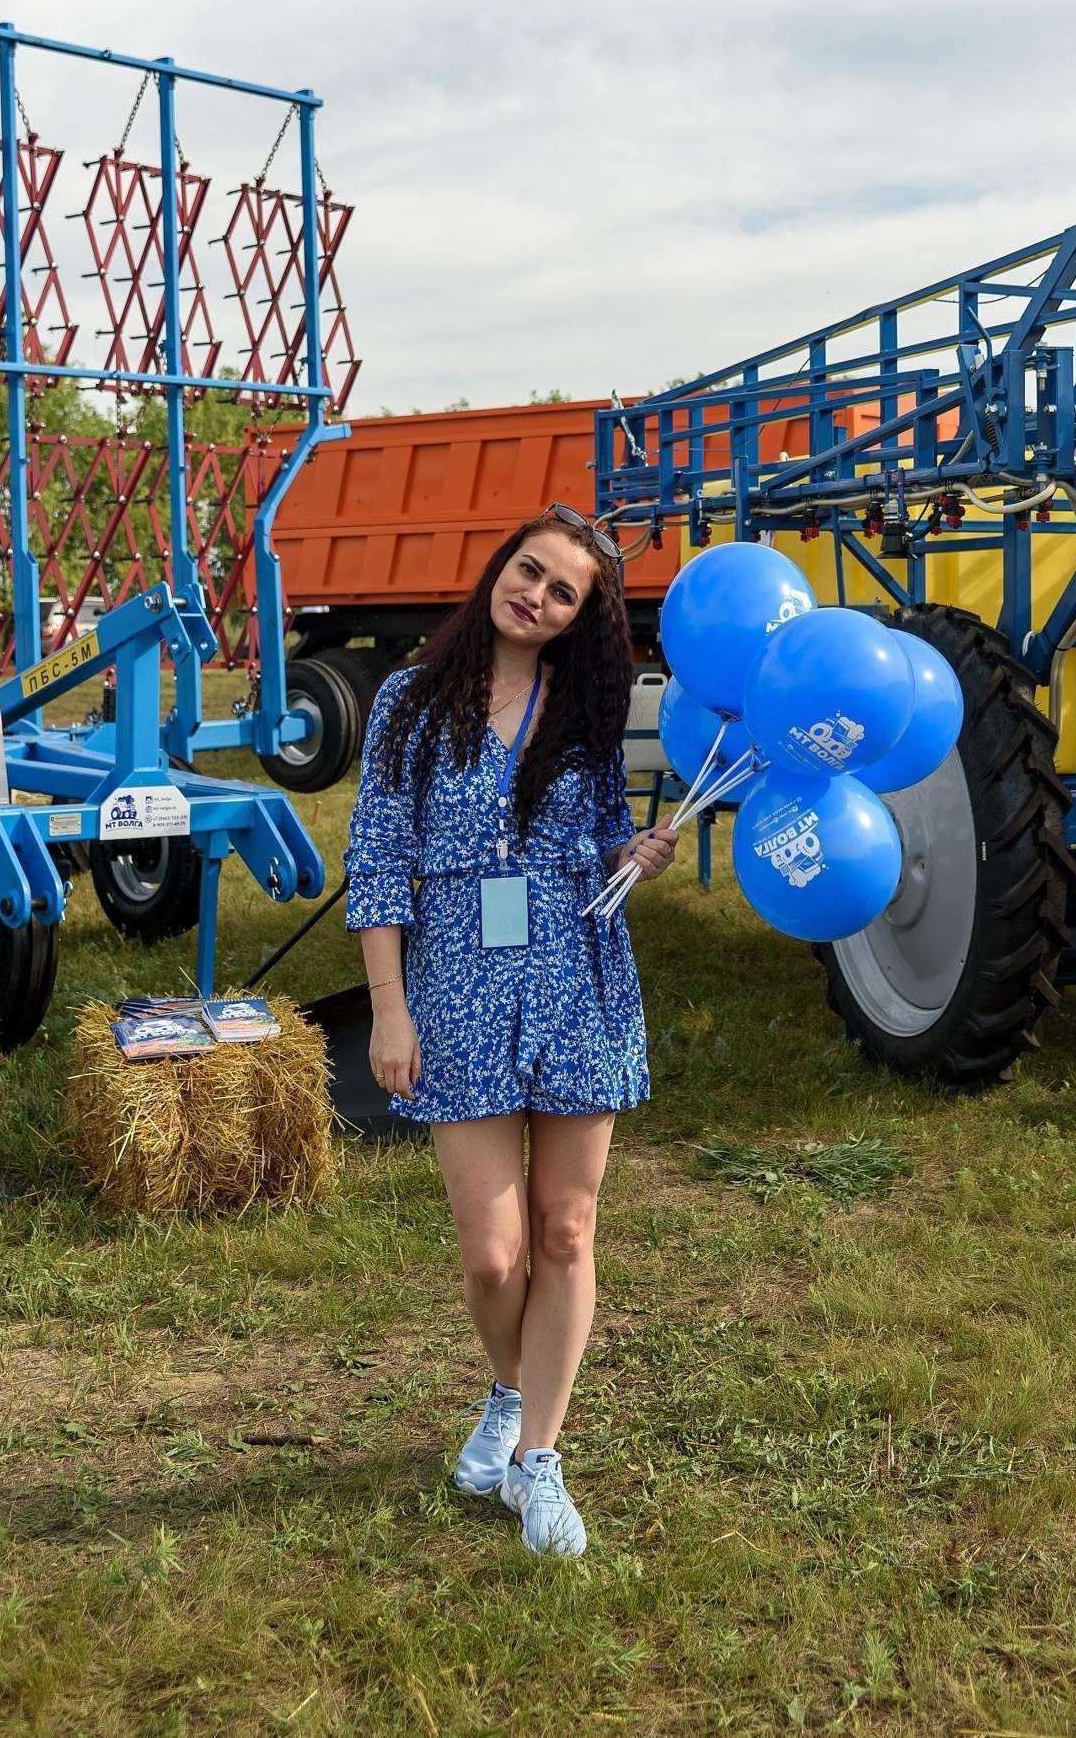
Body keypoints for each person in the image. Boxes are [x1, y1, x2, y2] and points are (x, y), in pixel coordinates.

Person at [344, 504, 678, 1558]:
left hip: (577, 978)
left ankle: (540, 1458)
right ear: (502, 567)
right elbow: (378, 858)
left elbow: (588, 838)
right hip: (456, 990)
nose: (535, 595)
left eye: (562, 591)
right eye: (529, 571)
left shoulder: (585, 707)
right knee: (493, 1257)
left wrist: (635, 852)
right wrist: (388, 1007)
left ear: (581, 617)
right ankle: (505, 1390)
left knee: (566, 1231)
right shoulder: (409, 700)